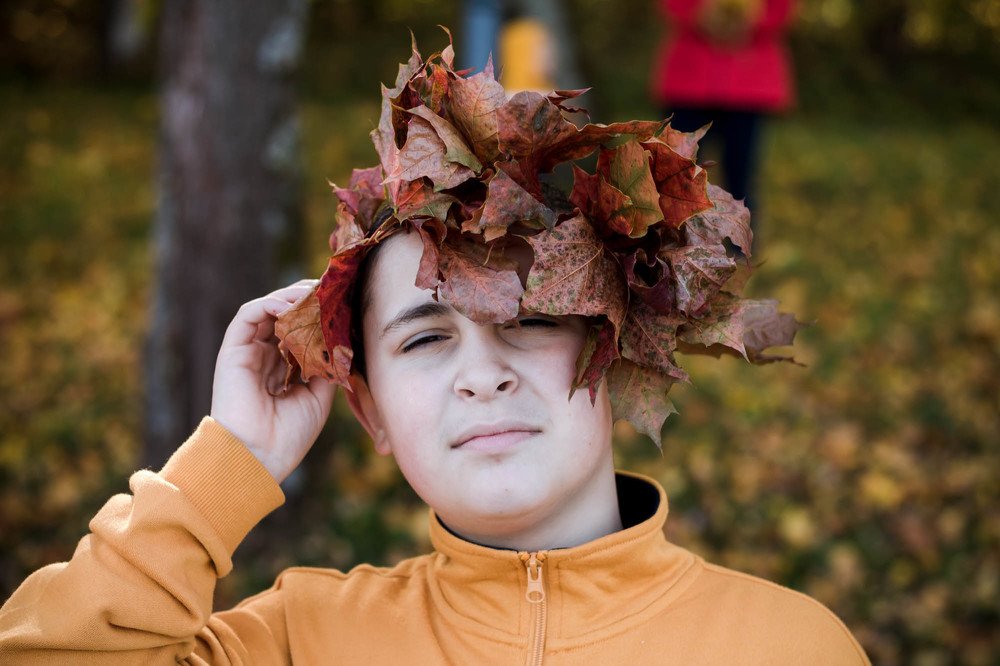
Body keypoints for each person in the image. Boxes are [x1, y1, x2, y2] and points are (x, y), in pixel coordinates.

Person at [0, 34, 868, 664]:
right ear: (369, 406)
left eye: (528, 321)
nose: (482, 376)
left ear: (619, 343)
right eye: (423, 338)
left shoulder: (792, 645)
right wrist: (229, 464)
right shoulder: (299, 641)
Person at [651, 0, 797, 241]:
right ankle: (671, 248)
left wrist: (752, 21)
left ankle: (739, 251)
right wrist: (699, 16)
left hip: (747, 82)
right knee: (677, 176)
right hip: (689, 80)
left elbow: (781, 9)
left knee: (740, 175)